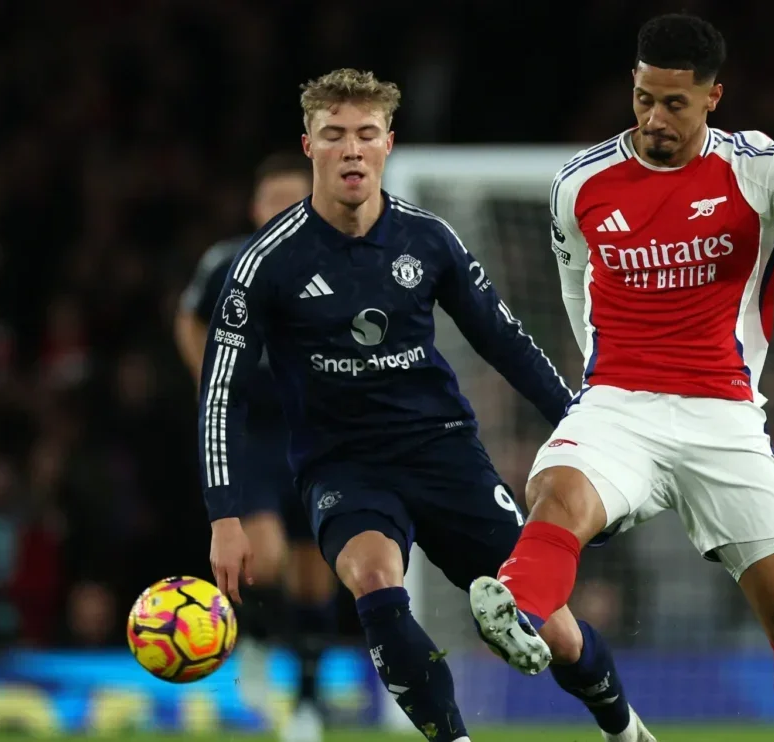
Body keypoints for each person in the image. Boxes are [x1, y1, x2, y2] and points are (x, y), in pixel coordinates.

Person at [467, 13, 774, 742]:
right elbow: (577, 290)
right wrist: (602, 383)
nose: (654, 118)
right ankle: (517, 607)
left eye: (674, 103)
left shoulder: (752, 167)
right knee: (555, 494)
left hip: (721, 412)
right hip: (618, 404)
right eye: (643, 99)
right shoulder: (580, 182)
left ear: (712, 97)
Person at [200, 68, 653, 742]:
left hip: (443, 451)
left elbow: (507, 342)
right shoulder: (264, 263)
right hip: (342, 464)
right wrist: (224, 515)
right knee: (373, 578)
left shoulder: (428, 239)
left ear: (388, 144)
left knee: (554, 629)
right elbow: (220, 393)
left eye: (366, 134)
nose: (351, 150)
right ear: (309, 146)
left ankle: (624, 729)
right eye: (334, 135)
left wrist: (580, 427)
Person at [175, 153, 335, 742]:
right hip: (255, 434)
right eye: (275, 200)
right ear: (254, 208)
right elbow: (188, 318)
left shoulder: (339, 262)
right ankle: (260, 644)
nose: (284, 210)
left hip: (317, 433)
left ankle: (308, 701)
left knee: (317, 576)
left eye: (296, 200)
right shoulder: (226, 263)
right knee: (263, 558)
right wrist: (209, 379)